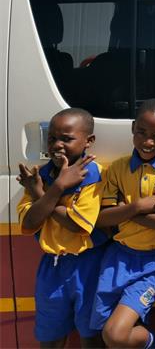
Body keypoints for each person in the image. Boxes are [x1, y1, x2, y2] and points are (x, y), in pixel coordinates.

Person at [91, 99, 155, 349]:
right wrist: (137, 206)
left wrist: (122, 211)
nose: (148, 142)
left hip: (153, 264)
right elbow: (101, 219)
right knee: (102, 331)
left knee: (115, 334)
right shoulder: (118, 168)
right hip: (117, 259)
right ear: (133, 127)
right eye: (142, 132)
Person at [17, 108, 105, 348]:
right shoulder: (39, 176)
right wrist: (56, 188)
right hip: (52, 265)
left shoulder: (93, 175)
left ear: (89, 141)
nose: (57, 145)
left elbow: (77, 224)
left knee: (91, 336)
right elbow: (29, 223)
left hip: (88, 264)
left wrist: (42, 195)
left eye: (66, 139)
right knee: (49, 336)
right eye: (52, 138)